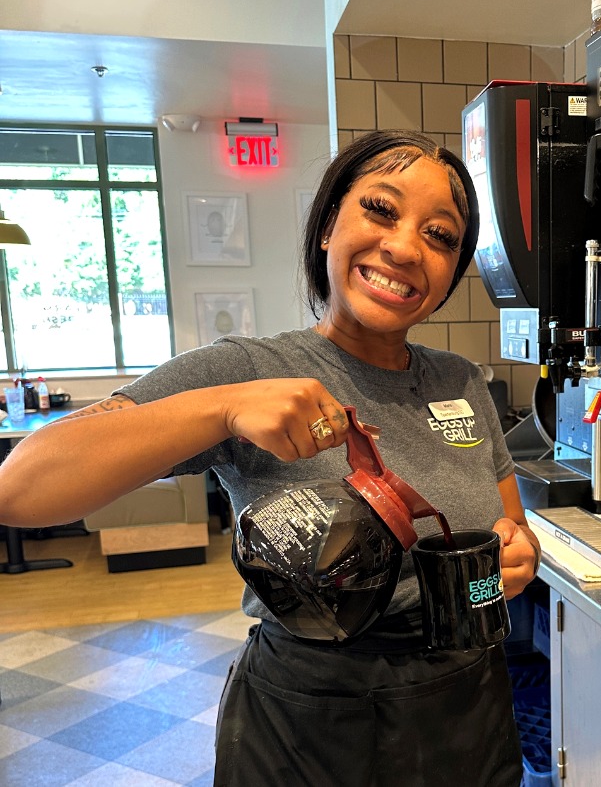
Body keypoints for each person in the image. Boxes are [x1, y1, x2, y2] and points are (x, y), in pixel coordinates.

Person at [0, 130, 541, 786]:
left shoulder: (462, 380)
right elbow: (21, 487)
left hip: (466, 711)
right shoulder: (249, 369)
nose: (404, 248)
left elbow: (511, 529)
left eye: (440, 236)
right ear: (327, 227)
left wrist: (518, 557)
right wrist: (223, 409)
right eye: (380, 209)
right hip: (311, 726)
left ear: (453, 271)